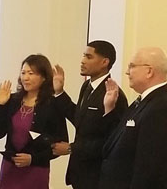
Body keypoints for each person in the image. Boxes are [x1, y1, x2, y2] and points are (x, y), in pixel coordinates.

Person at [52, 40, 128, 189]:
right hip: (80, 173)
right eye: (83, 56)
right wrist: (59, 92)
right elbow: (80, 119)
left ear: (104, 62)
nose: (82, 61)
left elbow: (112, 140)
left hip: (98, 175)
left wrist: (72, 148)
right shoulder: (87, 86)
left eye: (89, 57)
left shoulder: (113, 94)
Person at [0, 54, 68, 189]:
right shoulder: (13, 100)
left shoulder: (52, 104)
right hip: (10, 167)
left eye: (31, 73)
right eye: (23, 73)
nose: (25, 78)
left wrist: (33, 159)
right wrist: (0, 105)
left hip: (36, 169)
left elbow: (60, 143)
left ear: (44, 77)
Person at [99, 47, 167, 189]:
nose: (127, 72)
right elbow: (121, 140)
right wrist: (109, 108)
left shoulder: (161, 107)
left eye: (132, 66)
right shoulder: (143, 101)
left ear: (149, 71)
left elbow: (150, 167)